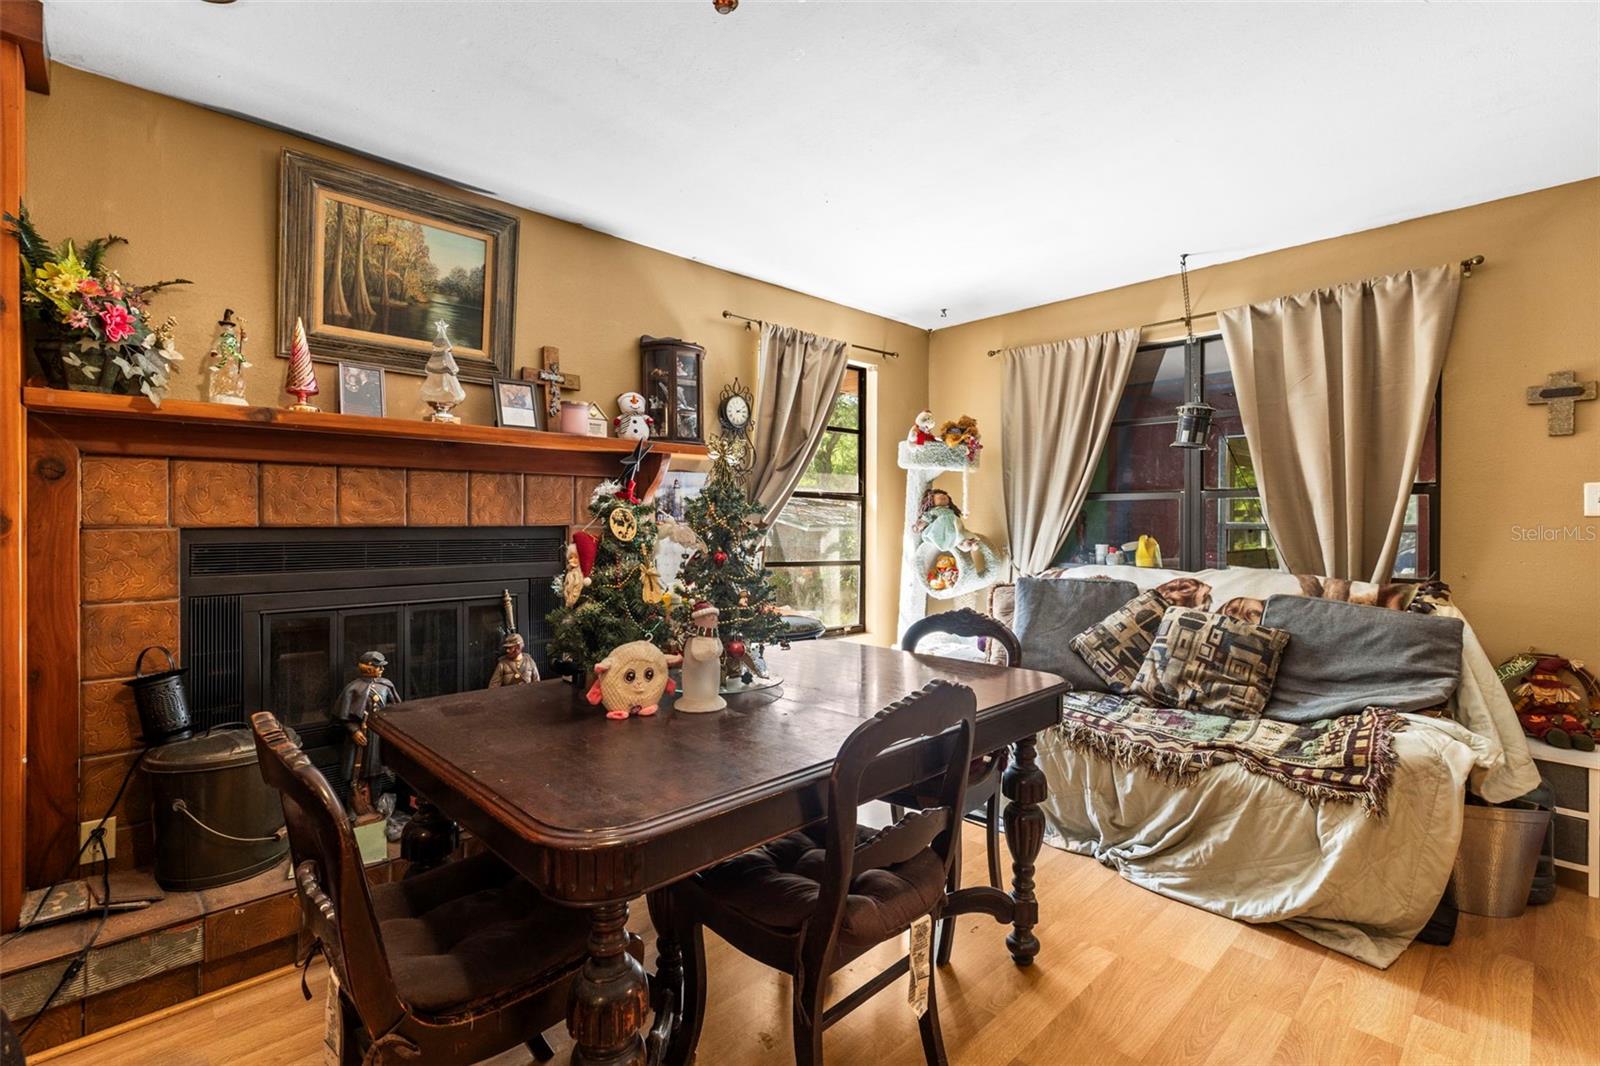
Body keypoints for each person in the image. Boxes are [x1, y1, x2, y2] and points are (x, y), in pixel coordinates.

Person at [331, 651, 401, 823]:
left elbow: (395, 709)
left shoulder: (386, 686)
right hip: (359, 738)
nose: (381, 670)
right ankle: (353, 808)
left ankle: (375, 804)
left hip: (379, 737)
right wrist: (354, 731)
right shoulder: (353, 689)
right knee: (354, 773)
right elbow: (342, 717)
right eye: (378, 667)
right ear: (368, 668)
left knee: (375, 770)